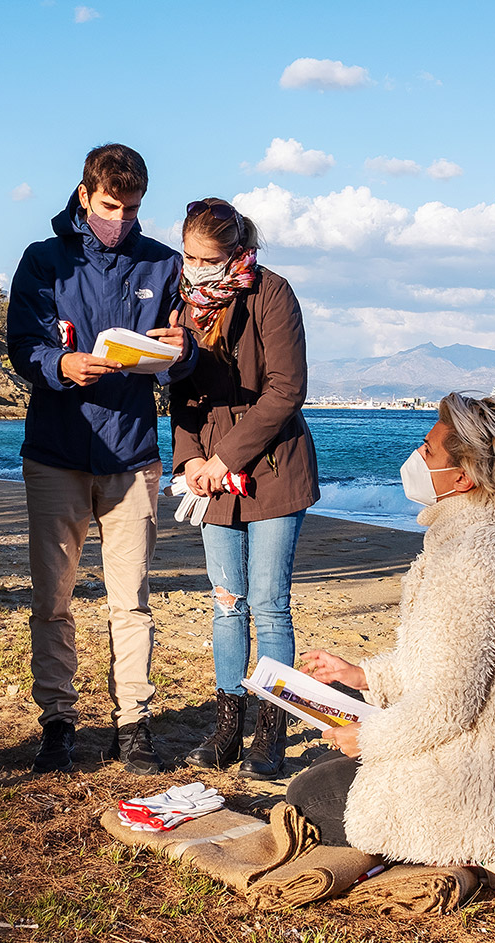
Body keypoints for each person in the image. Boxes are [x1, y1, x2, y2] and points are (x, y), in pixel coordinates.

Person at [289, 393, 495, 894]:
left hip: (484, 779)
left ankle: (484, 855)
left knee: (308, 795)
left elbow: (448, 703)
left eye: (427, 450)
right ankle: (493, 846)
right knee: (330, 771)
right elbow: (447, 662)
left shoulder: (465, 559)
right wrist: (362, 675)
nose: (416, 458)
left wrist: (369, 739)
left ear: (462, 478)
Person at [6, 144, 196, 776]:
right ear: (85, 194)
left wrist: (184, 350)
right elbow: (21, 345)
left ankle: (134, 723)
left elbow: (181, 358)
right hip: (55, 453)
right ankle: (57, 723)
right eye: (111, 206)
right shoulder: (42, 260)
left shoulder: (164, 264)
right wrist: (59, 363)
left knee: (131, 600)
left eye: (133, 209)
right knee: (52, 599)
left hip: (133, 456)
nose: (121, 219)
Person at [169, 198, 319, 779]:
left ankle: (270, 733)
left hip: (275, 468)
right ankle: (227, 727)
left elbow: (286, 391)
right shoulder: (184, 301)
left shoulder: (273, 293)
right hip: (209, 475)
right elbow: (181, 392)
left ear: (236, 253)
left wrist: (224, 458)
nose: (196, 269)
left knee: (270, 604)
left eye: (208, 260)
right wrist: (190, 460)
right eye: (188, 257)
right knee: (226, 603)